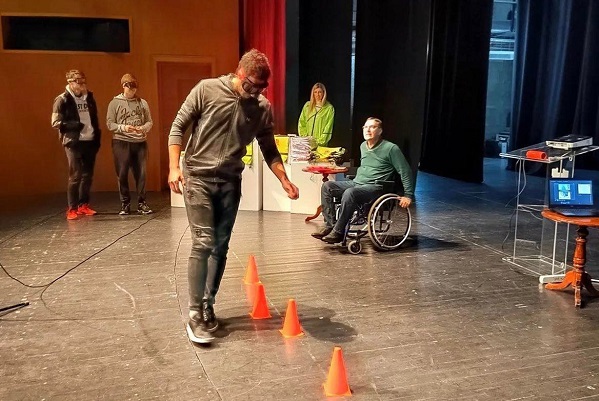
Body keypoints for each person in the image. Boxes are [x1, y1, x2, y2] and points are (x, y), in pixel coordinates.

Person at [168, 49, 299, 344]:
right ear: (239, 74)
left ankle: (207, 305)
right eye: (251, 85)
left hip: (230, 182)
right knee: (204, 241)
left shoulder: (262, 108)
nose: (256, 92)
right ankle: (194, 313)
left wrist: (284, 179)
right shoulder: (207, 90)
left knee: (221, 246)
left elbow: (269, 148)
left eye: (262, 88)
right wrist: (174, 167)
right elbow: (177, 127)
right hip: (198, 178)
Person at [312, 117, 414, 243]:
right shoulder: (363, 146)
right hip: (357, 183)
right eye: (365, 127)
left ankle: (338, 232)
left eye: (372, 127)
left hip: (376, 187)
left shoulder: (391, 148)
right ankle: (330, 226)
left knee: (350, 192)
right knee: (327, 186)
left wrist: (408, 195)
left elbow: (405, 171)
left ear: (380, 131)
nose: (368, 130)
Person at [51, 69, 101, 220]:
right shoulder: (62, 99)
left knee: (88, 175)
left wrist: (96, 135)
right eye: (78, 81)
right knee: (75, 175)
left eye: (83, 81)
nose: (82, 84)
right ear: (70, 83)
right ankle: (72, 208)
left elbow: (94, 117)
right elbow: (55, 122)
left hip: (90, 141)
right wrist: (75, 125)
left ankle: (83, 205)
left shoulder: (89, 97)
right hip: (73, 142)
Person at [106, 73, 154, 215]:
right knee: (122, 173)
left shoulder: (142, 103)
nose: (132, 90)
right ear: (123, 86)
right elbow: (110, 123)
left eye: (134, 88)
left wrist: (143, 128)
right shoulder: (115, 103)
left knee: (141, 174)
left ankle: (142, 203)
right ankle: (125, 204)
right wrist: (124, 128)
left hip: (139, 142)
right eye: (129, 87)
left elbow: (149, 121)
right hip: (121, 142)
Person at [297, 82, 335, 147]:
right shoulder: (307, 106)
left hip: (320, 145)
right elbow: (301, 122)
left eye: (320, 92)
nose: (317, 94)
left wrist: (319, 142)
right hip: (306, 143)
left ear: (323, 93)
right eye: (315, 92)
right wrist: (305, 138)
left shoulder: (329, 108)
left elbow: (328, 127)